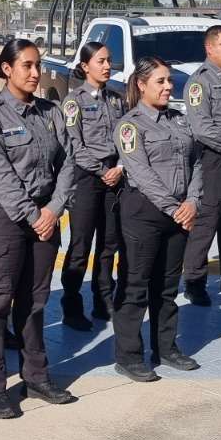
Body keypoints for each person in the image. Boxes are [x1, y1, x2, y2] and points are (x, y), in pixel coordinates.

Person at [0, 38, 77, 419]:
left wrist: (53, 209)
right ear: (6, 69)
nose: (35, 73)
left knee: (35, 301)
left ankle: (36, 376)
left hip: (46, 215)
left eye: (38, 66)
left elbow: (68, 162)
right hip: (7, 219)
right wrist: (34, 215)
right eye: (27, 66)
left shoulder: (50, 112)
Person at [112, 56, 203, 382]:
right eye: (160, 81)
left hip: (179, 212)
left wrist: (192, 201)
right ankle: (128, 355)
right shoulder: (130, 125)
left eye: (169, 80)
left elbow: (197, 163)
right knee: (135, 285)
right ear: (141, 85)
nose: (168, 87)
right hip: (145, 213)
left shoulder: (179, 120)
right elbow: (141, 173)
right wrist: (175, 208)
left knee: (166, 287)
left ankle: (166, 347)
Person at [57, 41, 126, 331]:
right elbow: (74, 145)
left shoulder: (116, 100)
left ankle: (103, 299)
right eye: (101, 61)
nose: (107, 66)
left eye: (109, 60)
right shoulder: (73, 102)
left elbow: (126, 138)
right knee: (81, 244)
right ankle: (72, 305)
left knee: (109, 243)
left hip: (114, 177)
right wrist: (102, 171)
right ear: (86, 67)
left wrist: (119, 167)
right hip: (87, 177)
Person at [182, 24, 221, 307]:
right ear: (209, 48)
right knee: (208, 220)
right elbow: (202, 129)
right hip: (214, 158)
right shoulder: (200, 82)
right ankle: (194, 281)